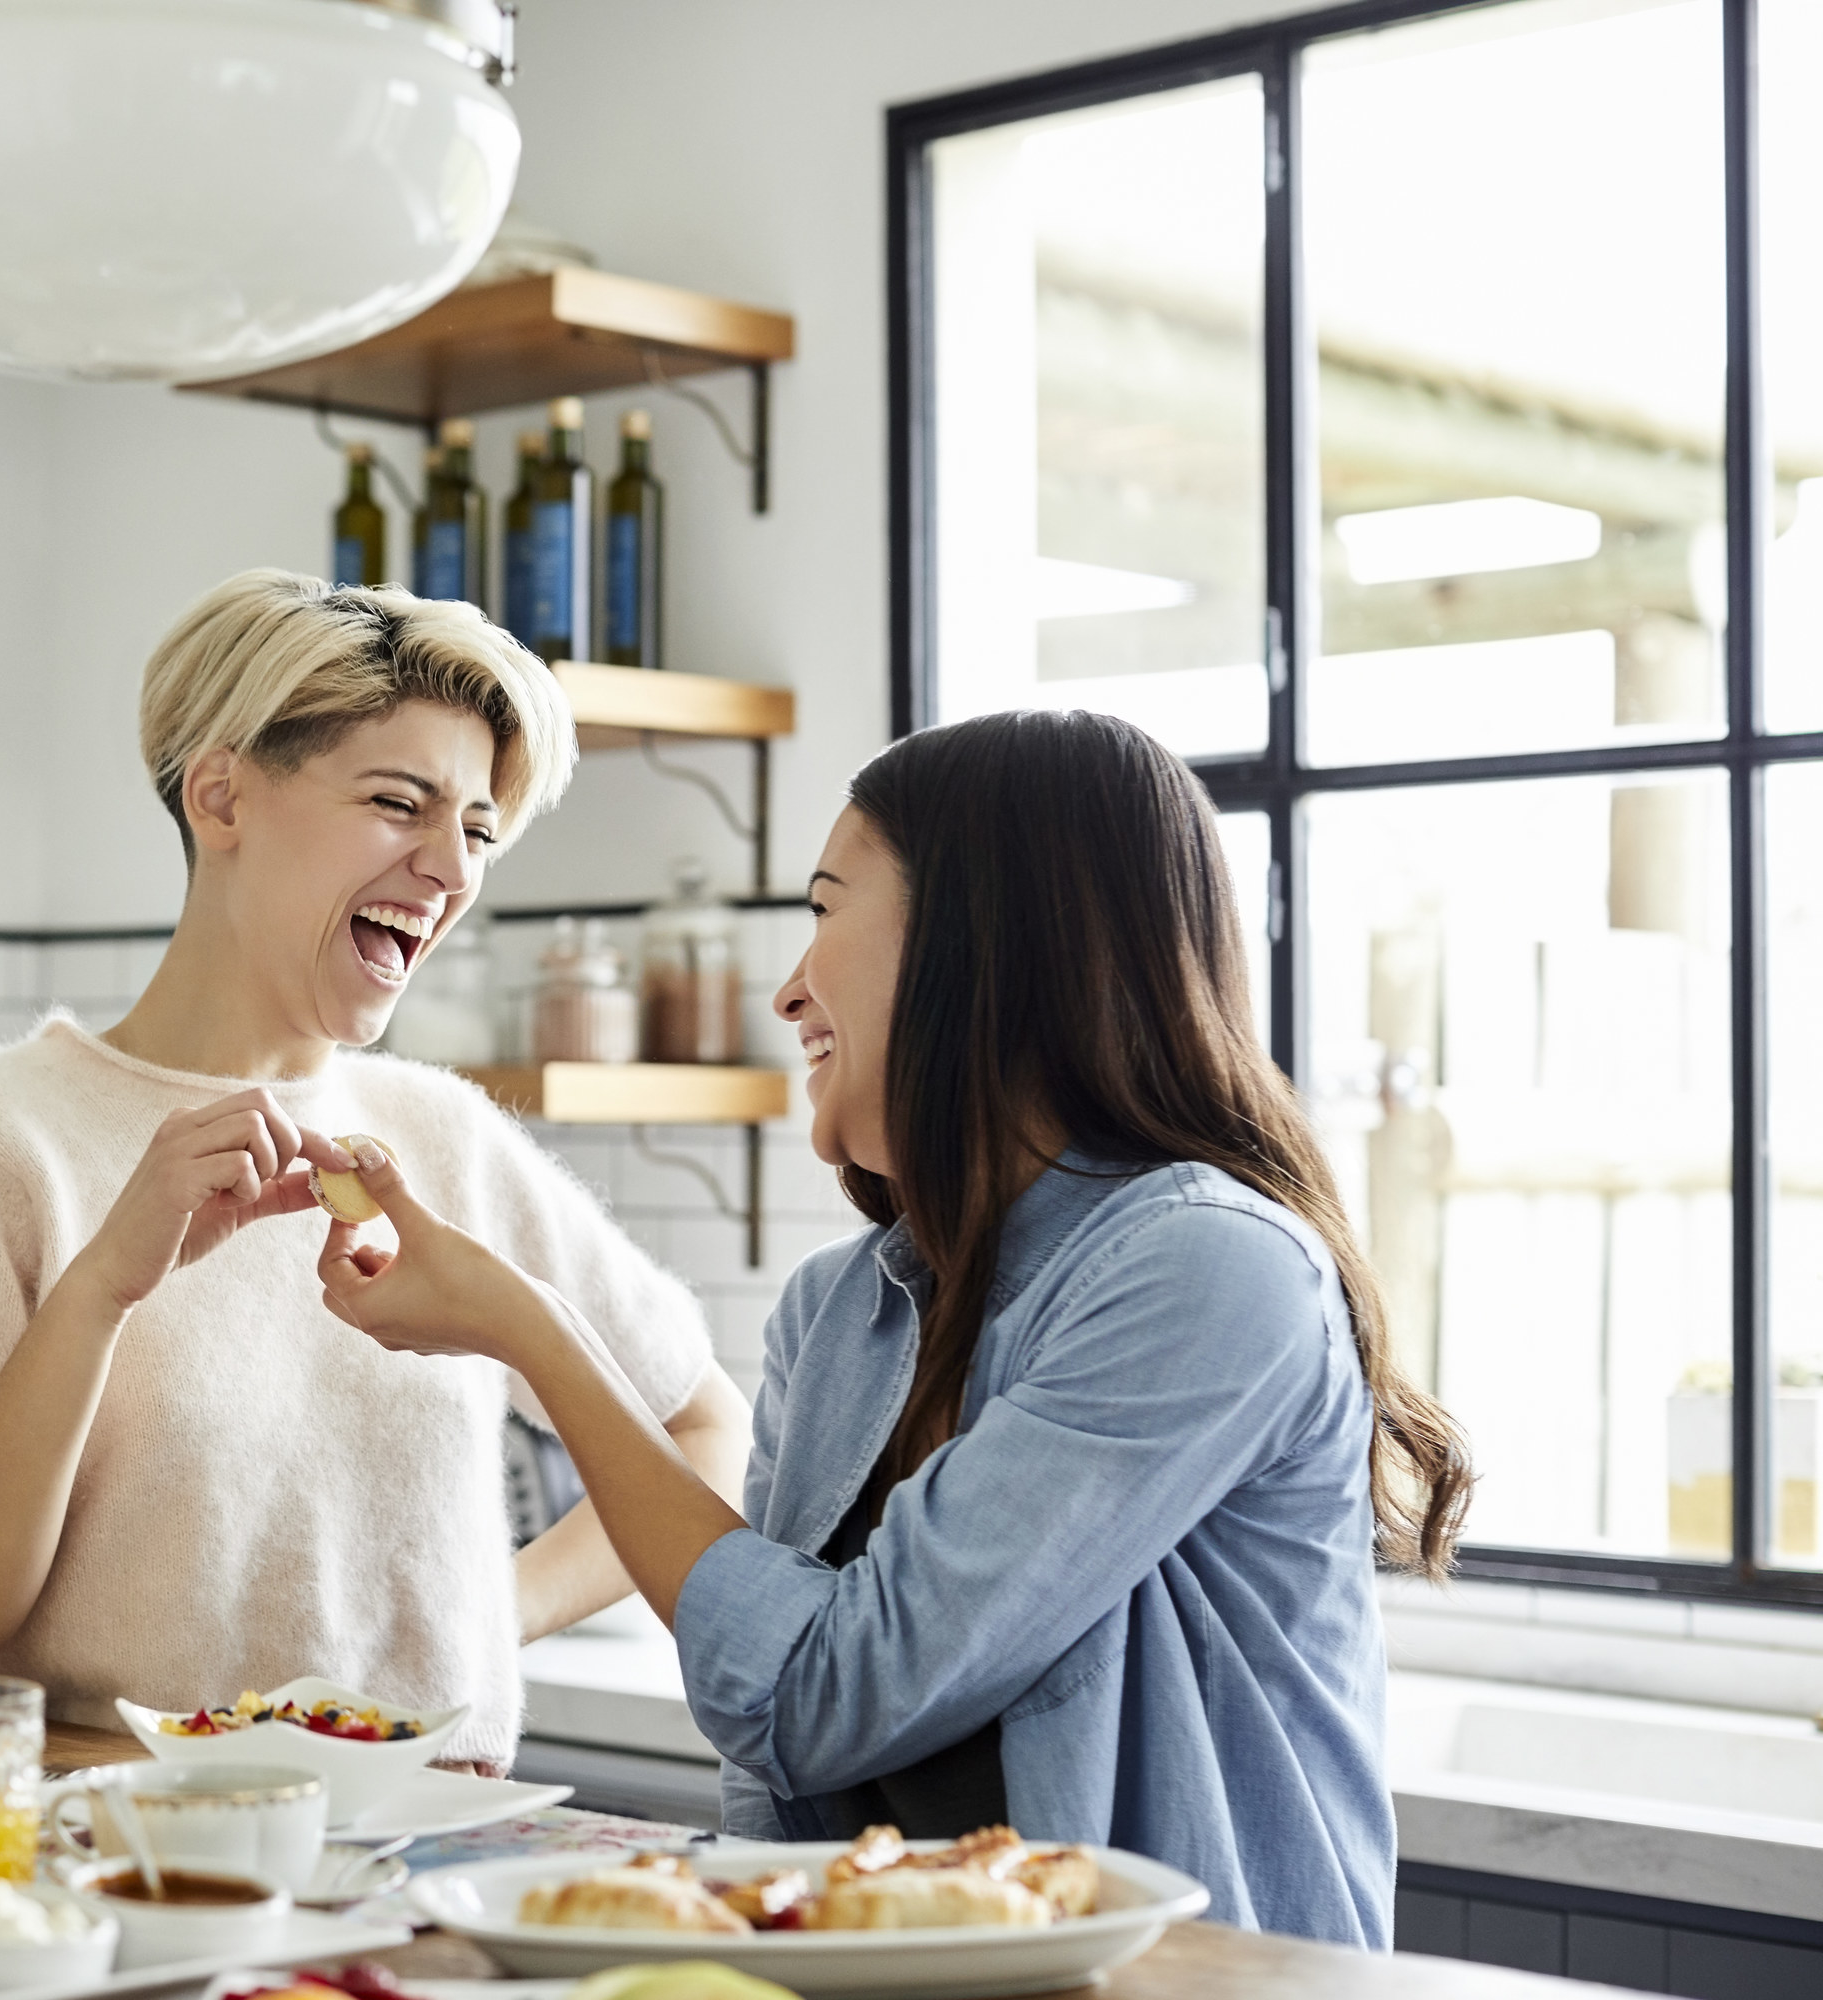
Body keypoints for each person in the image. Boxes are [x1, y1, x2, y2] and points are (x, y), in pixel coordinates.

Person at [309, 708, 1472, 1944]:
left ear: (987, 945)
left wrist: (536, 1333)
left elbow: (823, 1690)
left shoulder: (1211, 1269)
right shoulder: (840, 1308)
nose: (789, 986)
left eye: (824, 908)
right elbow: (775, 1754)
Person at [0, 569, 752, 1770]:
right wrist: (103, 1284)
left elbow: (697, 1421)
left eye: (474, 828)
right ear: (221, 796)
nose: (453, 868)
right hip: (119, 1867)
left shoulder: (443, 1136)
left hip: (429, 1862)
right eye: (397, 802)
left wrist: (488, 1614)